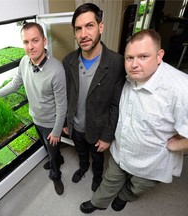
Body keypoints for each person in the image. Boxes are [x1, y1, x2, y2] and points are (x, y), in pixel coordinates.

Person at [79, 29, 188, 214]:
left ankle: (124, 196)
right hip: (121, 152)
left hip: (151, 162)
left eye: (143, 56)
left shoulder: (181, 88)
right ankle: (98, 202)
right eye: (129, 58)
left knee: (137, 186)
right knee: (110, 179)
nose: (134, 64)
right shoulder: (128, 78)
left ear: (159, 55)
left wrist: (177, 145)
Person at [0, 22, 67, 195]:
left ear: (44, 41)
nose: (30, 46)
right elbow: (14, 84)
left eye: (35, 41)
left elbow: (62, 105)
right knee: (48, 148)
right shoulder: (24, 62)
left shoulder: (57, 70)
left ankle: (56, 174)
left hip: (50, 124)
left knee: (52, 147)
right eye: (26, 42)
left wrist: (56, 131)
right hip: (36, 118)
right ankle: (56, 157)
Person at [62, 3, 126, 192]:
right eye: (78, 29)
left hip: (98, 129)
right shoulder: (68, 61)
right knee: (81, 152)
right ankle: (83, 167)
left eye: (89, 26)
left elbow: (116, 105)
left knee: (97, 158)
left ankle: (97, 176)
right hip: (76, 127)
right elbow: (67, 95)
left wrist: (107, 136)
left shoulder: (117, 63)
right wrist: (66, 122)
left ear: (100, 27)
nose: (83, 34)